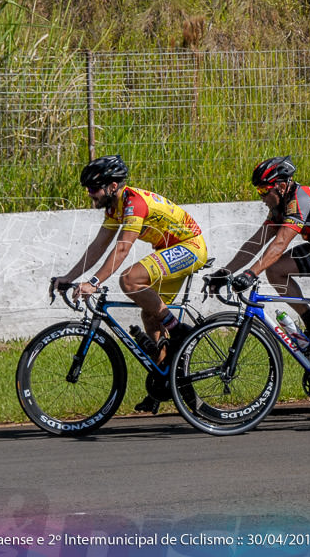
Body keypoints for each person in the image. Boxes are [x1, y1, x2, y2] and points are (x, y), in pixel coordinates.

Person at [208, 156, 310, 416]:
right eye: (258, 191)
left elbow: (280, 244)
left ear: (282, 186)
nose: (261, 196)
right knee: (276, 270)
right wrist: (225, 272)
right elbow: (256, 242)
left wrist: (251, 273)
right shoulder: (279, 207)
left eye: (264, 190)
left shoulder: (299, 201)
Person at [49, 155, 208, 413]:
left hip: (189, 246)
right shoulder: (115, 207)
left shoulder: (134, 203)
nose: (90, 194)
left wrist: (94, 281)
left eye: (94, 189)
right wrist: (69, 276)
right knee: (150, 315)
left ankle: (179, 330)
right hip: (169, 247)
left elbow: (122, 248)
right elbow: (99, 246)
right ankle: (165, 382)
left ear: (113, 186)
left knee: (129, 279)